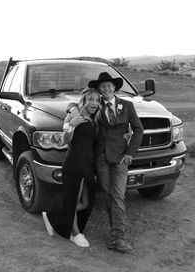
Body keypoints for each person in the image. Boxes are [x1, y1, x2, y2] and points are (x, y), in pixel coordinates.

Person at [88, 72, 144, 253]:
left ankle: (118, 237)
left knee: (118, 195)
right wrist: (71, 110)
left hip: (121, 158)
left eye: (109, 86)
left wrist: (130, 153)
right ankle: (115, 236)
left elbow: (138, 129)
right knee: (108, 195)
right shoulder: (94, 106)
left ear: (114, 88)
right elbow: (79, 107)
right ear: (99, 89)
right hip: (101, 158)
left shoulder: (127, 105)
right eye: (102, 87)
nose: (106, 89)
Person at [42, 88, 101, 248]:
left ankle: (52, 215)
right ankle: (75, 234)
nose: (94, 103)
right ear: (84, 101)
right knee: (74, 198)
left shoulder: (94, 119)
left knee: (86, 202)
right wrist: (72, 125)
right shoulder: (75, 115)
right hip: (74, 162)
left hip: (87, 163)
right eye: (91, 100)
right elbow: (64, 141)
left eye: (97, 100)